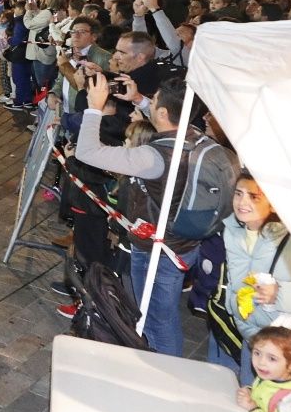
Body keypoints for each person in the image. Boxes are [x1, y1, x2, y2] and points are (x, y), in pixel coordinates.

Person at [74, 75, 206, 357]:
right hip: (185, 244)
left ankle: (163, 370)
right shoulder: (196, 139)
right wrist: (138, 100)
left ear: (161, 113)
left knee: (158, 321)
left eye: (153, 101)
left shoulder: (153, 157)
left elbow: (87, 152)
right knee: (162, 314)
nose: (150, 103)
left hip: (157, 249)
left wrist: (94, 107)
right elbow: (170, 118)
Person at [208, 172, 291, 381]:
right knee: (250, 400)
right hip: (252, 340)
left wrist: (280, 294)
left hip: (287, 351)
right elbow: (235, 281)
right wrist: (233, 306)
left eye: (254, 197)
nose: (242, 202)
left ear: (275, 204)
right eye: (239, 194)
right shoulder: (233, 231)